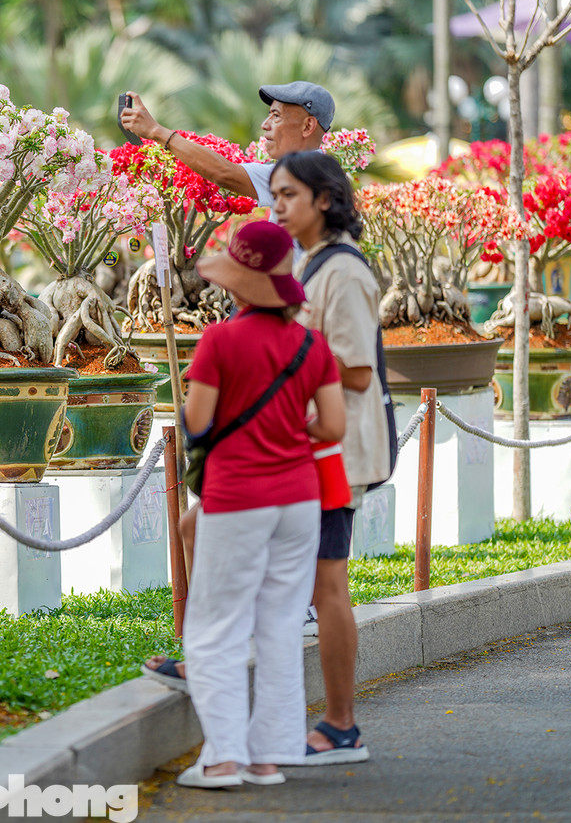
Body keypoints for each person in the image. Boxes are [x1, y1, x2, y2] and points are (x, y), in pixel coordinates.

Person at [172, 220, 345, 789]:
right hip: (299, 501)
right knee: (279, 626)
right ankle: (270, 755)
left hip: (236, 497)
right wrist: (290, 433)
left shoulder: (219, 340)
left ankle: (224, 758)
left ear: (239, 283)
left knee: (215, 629)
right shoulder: (310, 344)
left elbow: (197, 422)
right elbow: (334, 426)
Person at [271, 149, 391, 765]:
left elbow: (359, 371)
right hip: (308, 448)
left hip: (333, 454)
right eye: (275, 195)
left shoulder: (343, 273)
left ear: (324, 199)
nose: (278, 206)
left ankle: (342, 724)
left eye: (289, 194)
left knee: (328, 587)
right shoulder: (311, 265)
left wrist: (282, 360)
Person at [119, 81, 335, 210]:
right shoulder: (319, 170)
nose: (264, 125)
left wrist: (156, 132)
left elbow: (224, 173)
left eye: (276, 116)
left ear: (308, 126)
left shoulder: (304, 175)